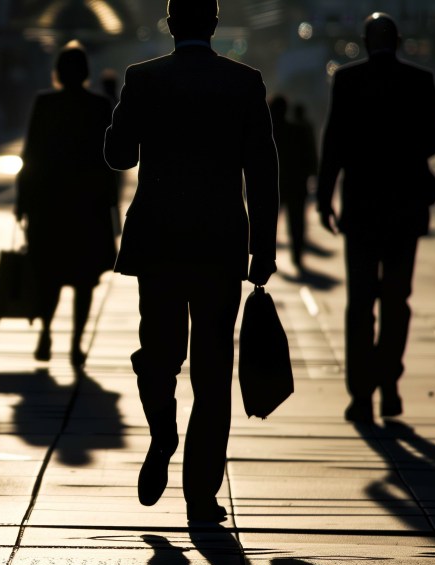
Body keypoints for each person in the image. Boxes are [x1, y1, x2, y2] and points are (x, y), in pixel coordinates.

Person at [104, 0, 279, 523]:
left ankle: (162, 428)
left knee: (158, 352)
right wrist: (262, 248)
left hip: (158, 242)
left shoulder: (144, 78)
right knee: (211, 370)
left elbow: (119, 155)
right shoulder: (244, 83)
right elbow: (263, 171)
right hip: (220, 244)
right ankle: (201, 493)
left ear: (170, 23)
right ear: (216, 24)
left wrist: (120, 122)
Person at [317, 12, 435, 423]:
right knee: (396, 301)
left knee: (360, 305)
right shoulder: (419, 81)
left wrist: (324, 199)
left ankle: (361, 394)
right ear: (400, 40)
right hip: (405, 210)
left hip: (361, 209)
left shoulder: (349, 80)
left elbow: (333, 143)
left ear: (366, 41)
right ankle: (389, 383)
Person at [16, 41, 118, 368]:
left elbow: (29, 156)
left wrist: (22, 202)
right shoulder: (100, 106)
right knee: (85, 279)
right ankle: (76, 343)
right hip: (88, 206)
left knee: (48, 273)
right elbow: (110, 163)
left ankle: (45, 330)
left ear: (57, 72)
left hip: (49, 206)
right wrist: (112, 207)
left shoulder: (45, 103)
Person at [269, 94, 317, 275]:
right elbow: (309, 156)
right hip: (296, 184)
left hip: (275, 186)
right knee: (297, 223)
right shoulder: (298, 130)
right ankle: (297, 254)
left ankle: (267, 255)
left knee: (270, 222)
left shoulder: (268, 132)